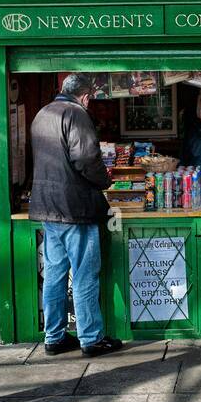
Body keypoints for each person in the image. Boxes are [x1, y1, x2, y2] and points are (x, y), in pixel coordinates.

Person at [29, 73, 123, 358]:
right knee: (84, 275)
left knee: (55, 274)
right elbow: (84, 158)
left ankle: (54, 337)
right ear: (85, 96)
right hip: (75, 209)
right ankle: (91, 339)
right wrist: (104, 181)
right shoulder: (77, 114)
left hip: (47, 207)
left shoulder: (42, 114)